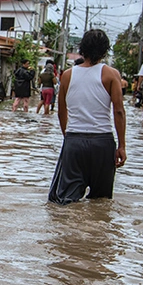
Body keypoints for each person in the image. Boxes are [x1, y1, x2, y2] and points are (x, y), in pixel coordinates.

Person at [48, 29, 127, 204]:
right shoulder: (111, 74)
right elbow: (119, 111)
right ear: (105, 51)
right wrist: (122, 145)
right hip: (103, 143)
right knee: (101, 201)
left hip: (74, 141)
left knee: (67, 201)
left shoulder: (67, 75)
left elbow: (61, 112)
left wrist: (69, 138)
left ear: (82, 49)